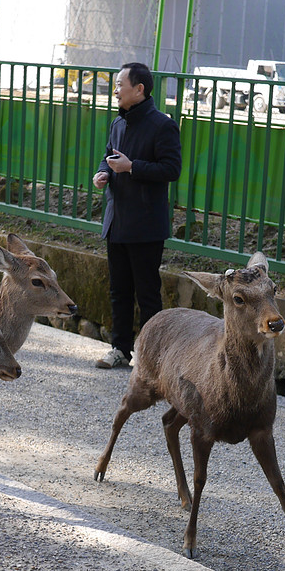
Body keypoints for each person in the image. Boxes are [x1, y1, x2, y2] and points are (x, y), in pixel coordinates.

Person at [92, 62, 181, 368]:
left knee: (147, 293)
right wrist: (103, 173)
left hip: (145, 224)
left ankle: (152, 356)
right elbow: (108, 157)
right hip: (117, 220)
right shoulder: (119, 123)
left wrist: (132, 167)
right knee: (119, 290)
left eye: (120, 85)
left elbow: (172, 169)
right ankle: (120, 348)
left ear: (139, 89)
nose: (115, 90)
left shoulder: (162, 125)